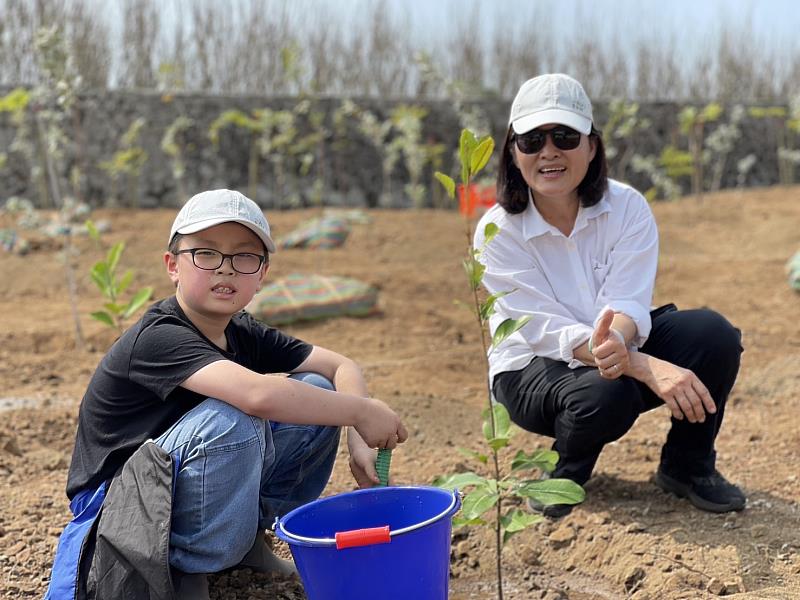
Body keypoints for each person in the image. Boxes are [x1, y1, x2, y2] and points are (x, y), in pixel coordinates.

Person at [46, 189, 408, 599]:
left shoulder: (240, 330)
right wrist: (360, 411)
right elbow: (257, 396)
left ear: (262, 274)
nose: (226, 269)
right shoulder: (160, 337)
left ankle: (247, 542)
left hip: (171, 482)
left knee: (316, 392)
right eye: (206, 253)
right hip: (118, 505)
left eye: (244, 257)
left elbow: (340, 366)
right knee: (234, 415)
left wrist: (358, 436)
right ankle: (184, 570)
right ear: (173, 266)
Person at [475, 74, 746, 519]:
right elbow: (540, 329)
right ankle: (565, 476)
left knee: (712, 335)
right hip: (530, 369)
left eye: (564, 136)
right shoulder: (496, 231)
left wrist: (620, 342)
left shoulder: (627, 208)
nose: (548, 151)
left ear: (592, 146)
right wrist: (640, 364)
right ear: (512, 152)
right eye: (531, 140)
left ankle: (688, 466)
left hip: (614, 350)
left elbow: (629, 300)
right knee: (607, 392)